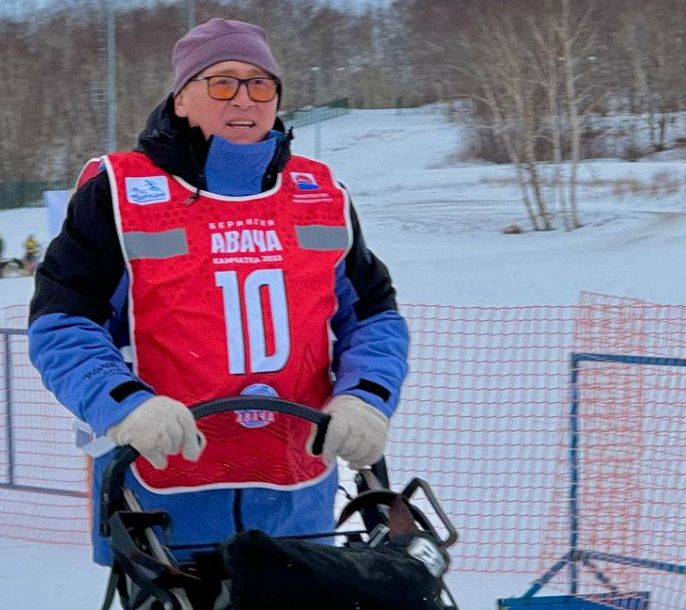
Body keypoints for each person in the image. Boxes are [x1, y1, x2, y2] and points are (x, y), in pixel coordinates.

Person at [28, 18, 408, 575]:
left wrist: (366, 398)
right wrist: (125, 404)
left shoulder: (319, 193)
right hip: (162, 504)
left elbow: (373, 317)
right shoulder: (117, 193)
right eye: (222, 82)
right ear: (182, 99)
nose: (245, 99)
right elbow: (61, 326)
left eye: (261, 84)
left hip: (298, 503)